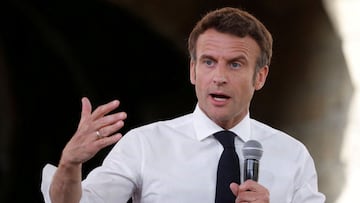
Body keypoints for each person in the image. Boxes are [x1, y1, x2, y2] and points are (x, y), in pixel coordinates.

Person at [41, 7, 326, 203]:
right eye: (209, 62)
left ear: (260, 76)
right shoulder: (144, 144)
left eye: (235, 64)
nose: (219, 77)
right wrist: (70, 163)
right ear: (193, 71)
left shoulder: (293, 156)